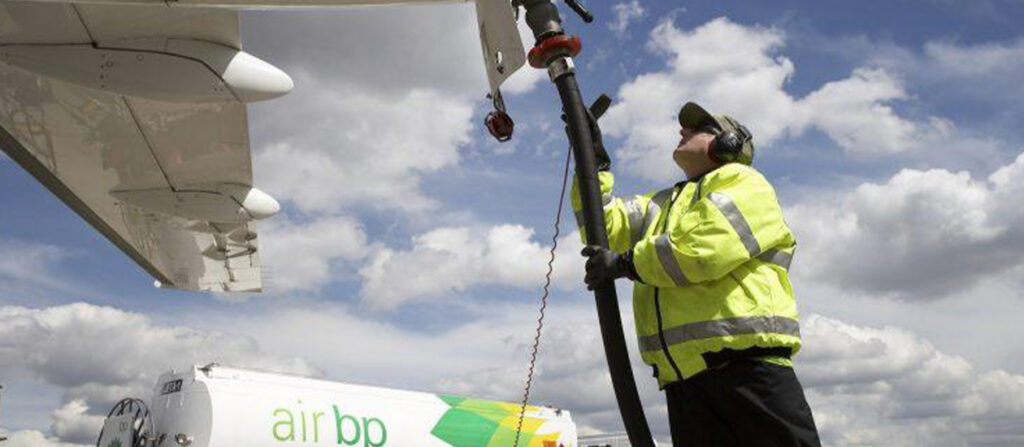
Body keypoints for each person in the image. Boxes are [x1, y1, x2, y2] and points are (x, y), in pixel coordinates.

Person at [573, 102, 821, 447]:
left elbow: (702, 251)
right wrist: (594, 161)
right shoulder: (662, 204)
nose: (682, 131)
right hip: (684, 381)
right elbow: (600, 227)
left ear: (730, 142)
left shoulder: (745, 182)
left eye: (698, 127)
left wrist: (625, 264)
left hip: (748, 370)